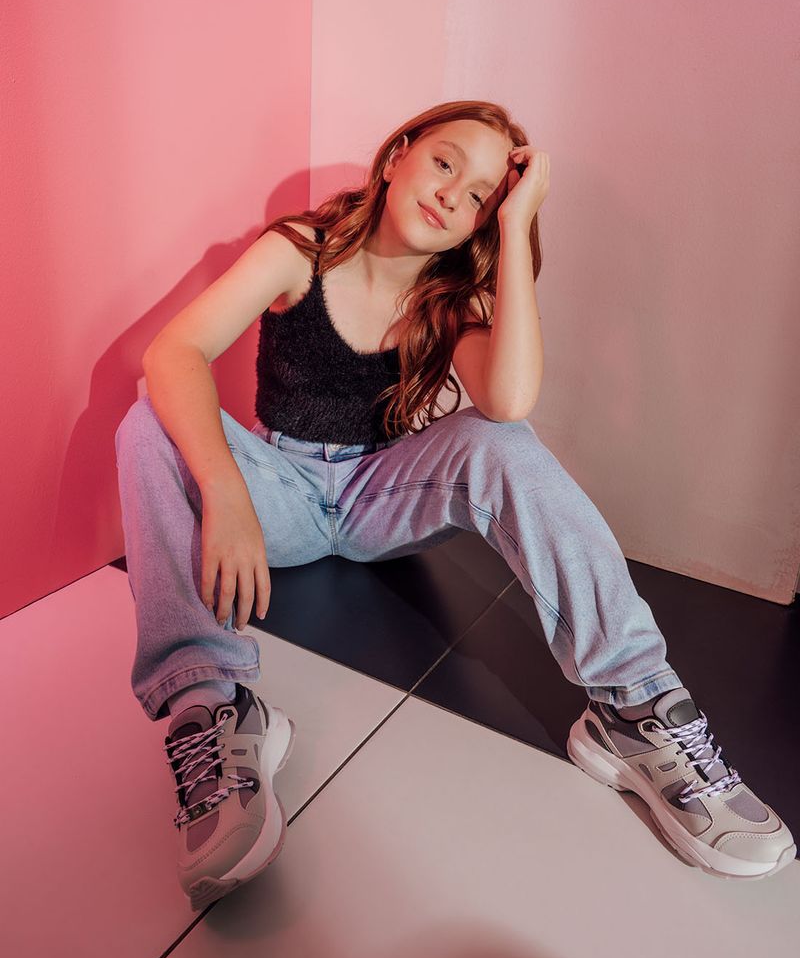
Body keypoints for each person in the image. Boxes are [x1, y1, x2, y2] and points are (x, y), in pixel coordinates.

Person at [114, 99, 795, 911]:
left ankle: (636, 704)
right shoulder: (300, 250)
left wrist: (517, 222)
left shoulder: (444, 301)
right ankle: (214, 706)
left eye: (478, 195)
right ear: (398, 154)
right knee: (146, 418)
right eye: (444, 163)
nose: (451, 194)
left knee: (498, 439)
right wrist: (226, 490)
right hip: (278, 492)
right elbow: (175, 350)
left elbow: (508, 400)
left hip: (380, 495)